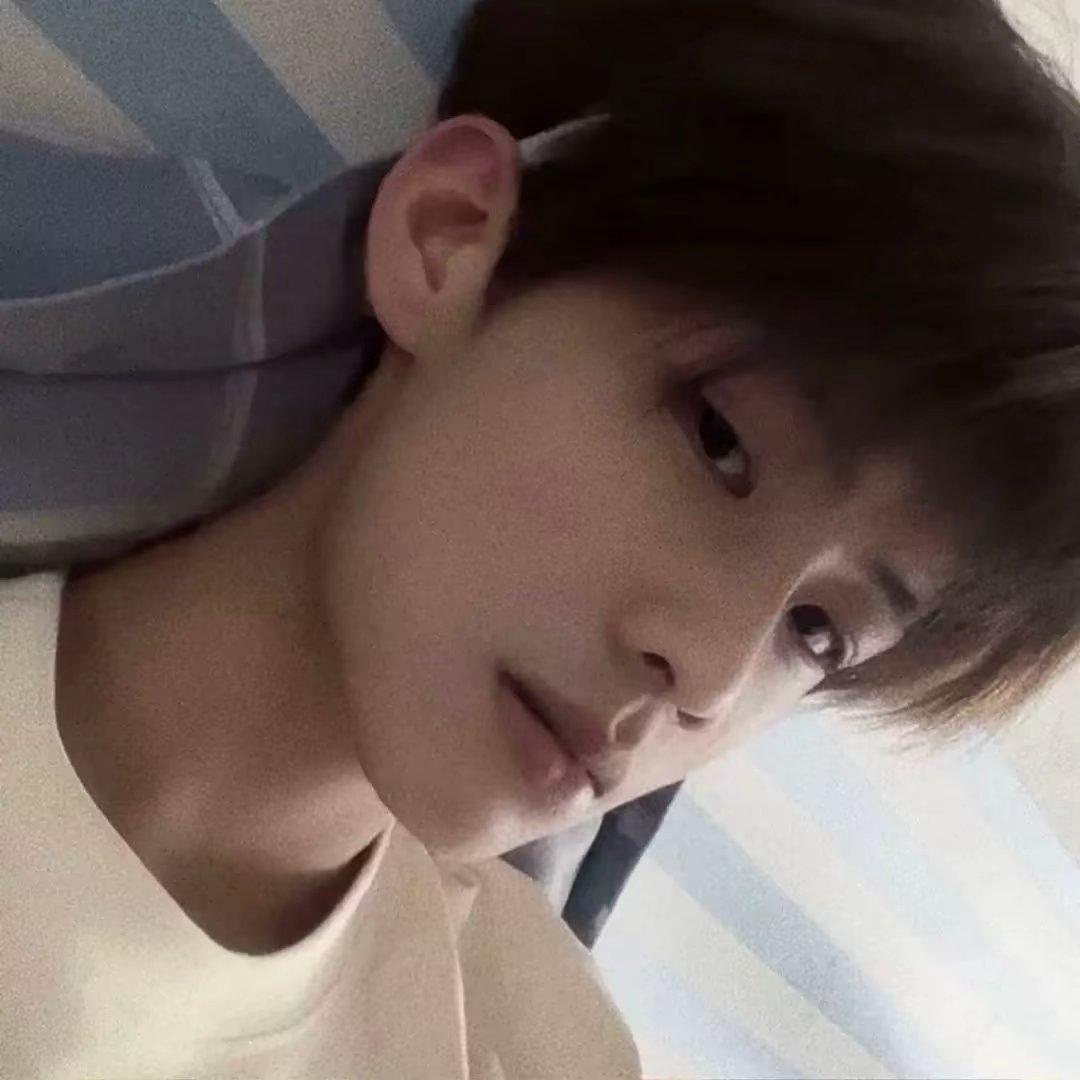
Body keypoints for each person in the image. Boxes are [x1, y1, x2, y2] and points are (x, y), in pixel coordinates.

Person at [5, 0, 1080, 1075]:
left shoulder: (538, 1049)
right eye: (720, 442)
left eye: (816, 632)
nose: (707, 676)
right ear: (448, 237)